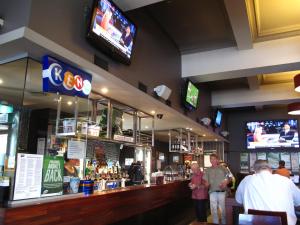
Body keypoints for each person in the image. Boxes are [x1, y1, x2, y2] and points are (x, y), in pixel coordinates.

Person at [235, 160, 300, 225]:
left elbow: (238, 201)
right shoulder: (286, 181)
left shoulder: (246, 180)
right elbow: (298, 202)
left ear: (254, 171)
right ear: (270, 170)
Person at [203, 153, 230, 224]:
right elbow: (205, 181)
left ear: (217, 160)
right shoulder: (207, 170)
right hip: (212, 192)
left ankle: (224, 223)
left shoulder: (223, 168)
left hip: (222, 192)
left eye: (214, 159)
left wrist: (226, 182)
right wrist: (206, 184)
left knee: (223, 210)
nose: (212, 160)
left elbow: (230, 177)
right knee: (213, 210)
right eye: (211, 159)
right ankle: (215, 223)